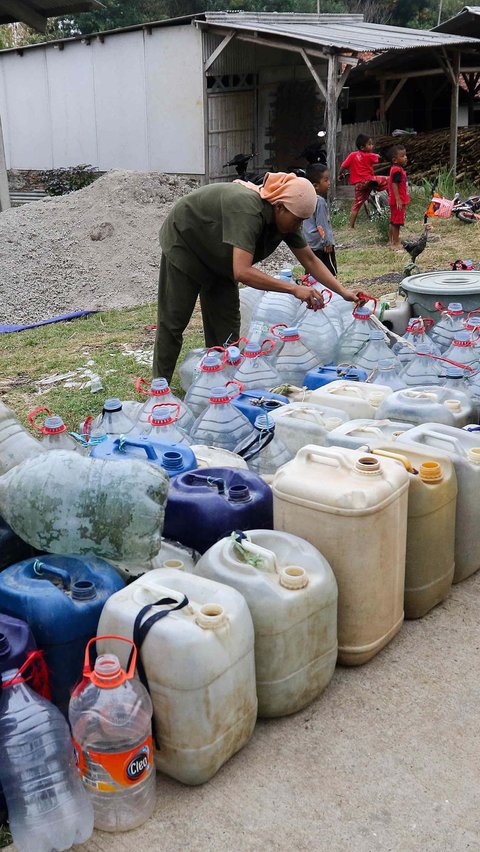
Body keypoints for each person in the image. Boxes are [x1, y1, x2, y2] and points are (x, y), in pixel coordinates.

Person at [153, 172, 366, 382]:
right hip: (187, 242)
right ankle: (159, 388)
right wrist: (293, 289)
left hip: (220, 256)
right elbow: (242, 272)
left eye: (303, 221)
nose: (299, 226)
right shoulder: (247, 210)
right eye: (297, 220)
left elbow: (310, 260)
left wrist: (343, 292)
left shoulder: (286, 217)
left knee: (225, 326)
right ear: (280, 207)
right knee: (174, 320)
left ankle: (222, 381)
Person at [338, 133, 388, 229]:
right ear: (362, 147)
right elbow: (379, 158)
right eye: (369, 144)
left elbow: (343, 166)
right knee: (390, 179)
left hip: (359, 185)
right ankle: (390, 198)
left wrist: (340, 175)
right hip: (368, 180)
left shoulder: (352, 155)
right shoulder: (370, 155)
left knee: (356, 205)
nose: (372, 146)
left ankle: (350, 227)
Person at [302, 163, 337, 276]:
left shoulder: (305, 198)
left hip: (309, 244)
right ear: (316, 185)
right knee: (328, 273)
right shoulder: (320, 201)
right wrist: (327, 242)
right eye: (326, 180)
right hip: (321, 246)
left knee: (311, 273)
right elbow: (321, 224)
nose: (329, 183)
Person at [388, 145, 410, 249]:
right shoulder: (397, 170)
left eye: (405, 155)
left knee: (393, 221)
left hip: (397, 200)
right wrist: (398, 198)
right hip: (398, 200)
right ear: (395, 160)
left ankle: (392, 241)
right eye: (402, 156)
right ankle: (396, 243)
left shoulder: (396, 169)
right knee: (397, 223)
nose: (405, 157)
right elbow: (394, 184)